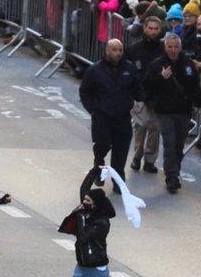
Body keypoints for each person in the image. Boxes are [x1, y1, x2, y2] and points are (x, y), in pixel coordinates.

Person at [79, 39, 143, 186]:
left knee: (121, 150)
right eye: (114, 50)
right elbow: (85, 91)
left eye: (120, 50)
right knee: (102, 146)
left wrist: (140, 97)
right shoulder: (95, 70)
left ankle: (118, 180)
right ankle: (98, 169)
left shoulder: (129, 68)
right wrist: (93, 109)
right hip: (102, 117)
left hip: (122, 117)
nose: (118, 53)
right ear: (107, 51)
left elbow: (136, 87)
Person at [144, 33, 201, 192]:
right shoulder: (157, 64)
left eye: (176, 47)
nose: (173, 50)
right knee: (169, 142)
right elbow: (147, 85)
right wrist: (161, 77)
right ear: (165, 47)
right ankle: (172, 176)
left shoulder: (188, 64)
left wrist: (197, 103)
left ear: (180, 47)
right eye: (170, 47)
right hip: (164, 111)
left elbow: (195, 86)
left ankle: (174, 170)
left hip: (183, 111)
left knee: (178, 144)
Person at [126, 16, 164, 174]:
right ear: (145, 28)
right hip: (139, 94)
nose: (153, 32)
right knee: (140, 126)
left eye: (156, 29)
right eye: (151, 28)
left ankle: (150, 160)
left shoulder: (164, 49)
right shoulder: (134, 49)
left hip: (158, 95)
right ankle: (137, 156)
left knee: (155, 128)